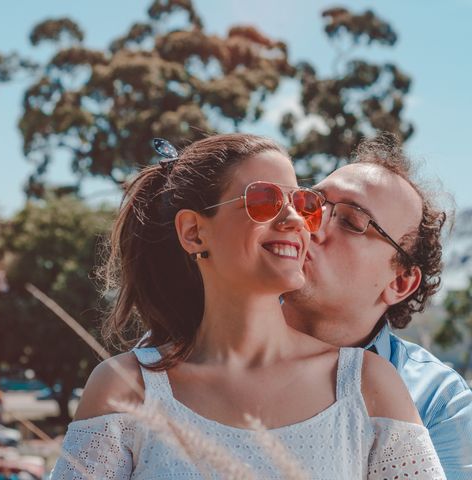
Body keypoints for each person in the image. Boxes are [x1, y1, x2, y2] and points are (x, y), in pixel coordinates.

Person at [50, 134, 444, 479]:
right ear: (193, 232)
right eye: (265, 200)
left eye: (301, 203)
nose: (300, 221)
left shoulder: (368, 387)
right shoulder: (126, 388)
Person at [282, 133, 472, 479]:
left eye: (352, 221)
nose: (309, 224)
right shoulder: (189, 352)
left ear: (400, 283)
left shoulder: (438, 405)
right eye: (311, 203)